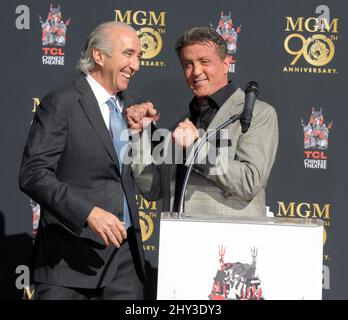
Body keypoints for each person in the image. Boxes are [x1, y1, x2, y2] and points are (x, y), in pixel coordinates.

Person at [19, 22, 159, 300]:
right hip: (69, 261)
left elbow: (151, 187)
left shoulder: (135, 105)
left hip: (126, 265)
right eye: (129, 54)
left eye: (139, 56)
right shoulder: (62, 103)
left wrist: (142, 137)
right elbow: (33, 173)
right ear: (99, 56)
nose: (136, 65)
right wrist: (88, 213)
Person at [165, 26, 278, 217]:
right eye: (188, 64)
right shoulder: (183, 123)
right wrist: (138, 132)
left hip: (229, 240)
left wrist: (195, 147)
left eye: (204, 62)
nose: (196, 71)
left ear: (226, 64)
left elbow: (249, 181)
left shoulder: (257, 113)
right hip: (180, 239)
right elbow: (153, 189)